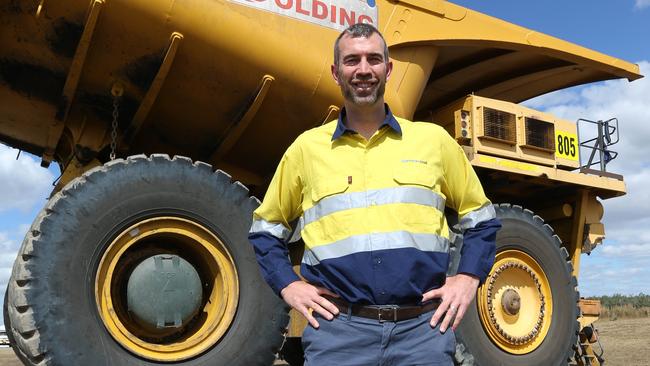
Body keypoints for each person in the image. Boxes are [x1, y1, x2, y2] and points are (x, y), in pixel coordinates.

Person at [249, 23, 501, 365]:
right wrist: (288, 285)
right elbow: (266, 231)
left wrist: (469, 278)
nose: (363, 70)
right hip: (338, 334)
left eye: (373, 59)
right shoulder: (306, 149)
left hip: (422, 334)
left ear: (388, 69)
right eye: (352, 60)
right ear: (337, 73)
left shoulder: (434, 141)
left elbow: (482, 220)